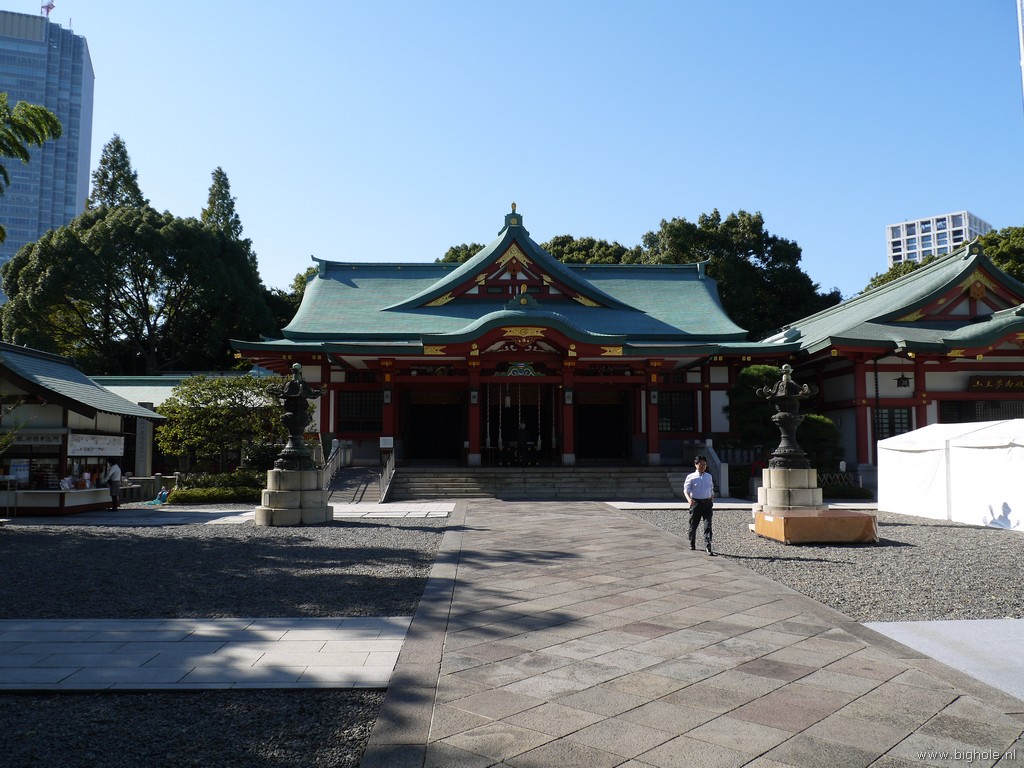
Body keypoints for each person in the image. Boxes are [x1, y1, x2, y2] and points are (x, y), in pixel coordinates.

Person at [684, 454, 715, 556]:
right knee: (693, 525)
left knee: (708, 525)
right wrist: (689, 499)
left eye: (704, 464)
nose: (702, 466)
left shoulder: (709, 476)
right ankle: (692, 542)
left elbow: (711, 488)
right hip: (696, 503)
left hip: (707, 503)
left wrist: (712, 496)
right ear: (696, 464)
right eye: (700, 464)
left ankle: (708, 546)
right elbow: (686, 490)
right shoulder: (691, 477)